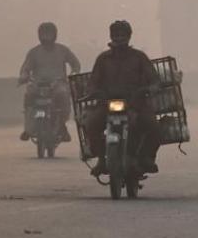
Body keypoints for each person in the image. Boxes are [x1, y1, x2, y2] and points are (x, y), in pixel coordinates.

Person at [85, 20, 163, 177]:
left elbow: (154, 80)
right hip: (107, 103)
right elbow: (93, 82)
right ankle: (101, 159)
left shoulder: (139, 57)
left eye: (122, 35)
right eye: (116, 35)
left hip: (136, 103)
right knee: (91, 124)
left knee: (154, 127)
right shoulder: (103, 59)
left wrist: (150, 89)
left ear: (128, 37)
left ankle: (147, 157)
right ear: (111, 36)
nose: (119, 38)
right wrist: (94, 91)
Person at [18, 22, 80, 142]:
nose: (46, 37)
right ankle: (28, 128)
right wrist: (24, 76)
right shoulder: (34, 52)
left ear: (54, 35)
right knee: (28, 96)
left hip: (58, 83)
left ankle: (62, 126)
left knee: (63, 95)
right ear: (39, 35)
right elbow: (26, 68)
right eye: (44, 34)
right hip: (38, 84)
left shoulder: (63, 50)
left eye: (49, 34)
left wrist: (73, 74)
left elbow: (75, 64)